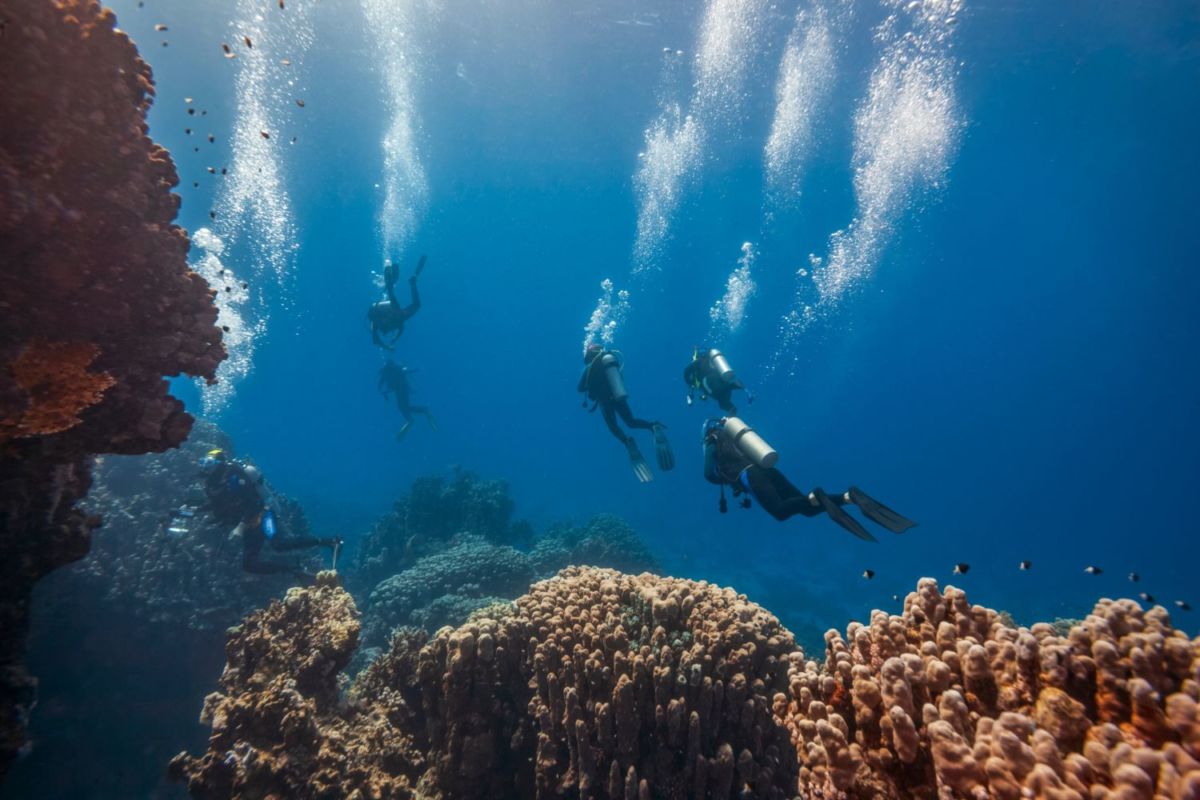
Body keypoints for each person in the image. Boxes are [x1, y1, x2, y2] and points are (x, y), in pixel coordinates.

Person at [701, 418, 915, 541]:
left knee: (780, 512)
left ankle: (820, 493)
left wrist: (728, 481)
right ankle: (848, 497)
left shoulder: (712, 441)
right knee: (807, 507)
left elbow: (708, 474)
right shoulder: (736, 438)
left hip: (751, 476)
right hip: (768, 470)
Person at [199, 449, 340, 576]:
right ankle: (295, 570)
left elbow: (254, 503)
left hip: (263, 514)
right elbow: (217, 505)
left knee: (279, 544)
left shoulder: (236, 476)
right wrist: (191, 511)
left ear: (219, 463)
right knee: (249, 565)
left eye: (209, 462)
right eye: (203, 462)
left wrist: (240, 527)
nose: (205, 466)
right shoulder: (216, 482)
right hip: (250, 523)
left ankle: (330, 541)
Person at [578, 342, 673, 483]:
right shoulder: (608, 359)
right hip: (618, 398)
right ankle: (652, 426)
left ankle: (627, 441)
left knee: (613, 426)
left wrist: (588, 384)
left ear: (588, 355)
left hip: (605, 402)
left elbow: (579, 388)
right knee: (631, 421)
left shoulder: (589, 367)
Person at [368, 254, 425, 350]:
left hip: (396, 314)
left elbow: (376, 340)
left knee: (406, 304)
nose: (386, 331)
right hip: (397, 315)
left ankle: (392, 285)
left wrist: (388, 345)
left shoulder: (375, 324)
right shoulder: (380, 325)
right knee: (411, 305)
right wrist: (394, 340)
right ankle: (410, 284)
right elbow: (401, 329)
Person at [378, 357, 437, 440]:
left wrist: (384, 392)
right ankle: (420, 413)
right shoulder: (394, 369)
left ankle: (417, 415)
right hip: (403, 390)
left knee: (403, 408)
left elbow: (380, 386)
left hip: (400, 391)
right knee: (404, 408)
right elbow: (405, 373)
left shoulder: (385, 371)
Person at [683, 347, 752, 414]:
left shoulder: (698, 361)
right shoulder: (711, 361)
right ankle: (742, 394)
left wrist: (689, 383)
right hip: (723, 382)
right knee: (724, 399)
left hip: (710, 383)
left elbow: (686, 372)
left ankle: (731, 413)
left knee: (722, 402)